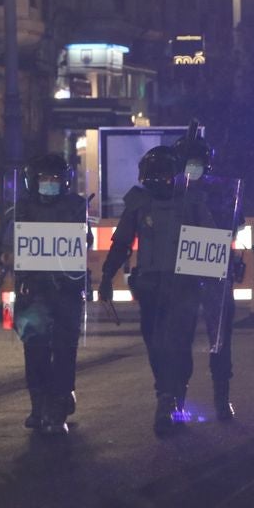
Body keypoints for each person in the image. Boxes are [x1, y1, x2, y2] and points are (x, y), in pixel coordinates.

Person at [98, 146, 211, 436]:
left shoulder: (193, 202)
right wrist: (107, 275)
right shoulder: (139, 203)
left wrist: (214, 279)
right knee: (156, 342)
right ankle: (165, 393)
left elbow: (211, 242)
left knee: (179, 344)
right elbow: (121, 243)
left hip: (184, 285)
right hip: (151, 287)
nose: (158, 180)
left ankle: (174, 396)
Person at [0, 154, 89, 435]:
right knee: (35, 351)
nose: (49, 184)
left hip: (66, 291)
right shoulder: (18, 210)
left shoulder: (76, 207)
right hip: (32, 292)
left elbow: (85, 240)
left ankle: (58, 404)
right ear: (33, 181)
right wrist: (7, 253)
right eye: (44, 179)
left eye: (55, 180)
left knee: (65, 350)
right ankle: (39, 404)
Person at [174, 134, 242, 421]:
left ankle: (221, 397)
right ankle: (176, 398)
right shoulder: (171, 192)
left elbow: (234, 223)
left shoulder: (222, 192)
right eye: (188, 163)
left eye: (198, 163)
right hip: (181, 275)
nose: (193, 168)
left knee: (220, 339)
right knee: (179, 339)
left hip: (215, 272)